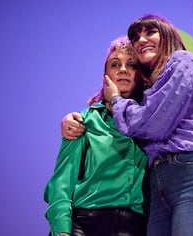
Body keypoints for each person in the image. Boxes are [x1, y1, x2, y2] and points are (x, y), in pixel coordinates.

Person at [99, 14, 193, 236]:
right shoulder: (147, 90)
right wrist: (78, 119)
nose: (141, 40)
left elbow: (152, 125)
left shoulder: (183, 60)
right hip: (159, 183)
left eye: (150, 32)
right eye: (136, 37)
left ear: (168, 35)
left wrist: (116, 101)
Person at [44, 36, 149, 236]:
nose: (123, 69)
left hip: (134, 227)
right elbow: (62, 182)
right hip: (83, 225)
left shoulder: (152, 123)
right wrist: (61, 230)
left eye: (132, 65)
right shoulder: (83, 121)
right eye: (115, 64)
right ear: (105, 76)